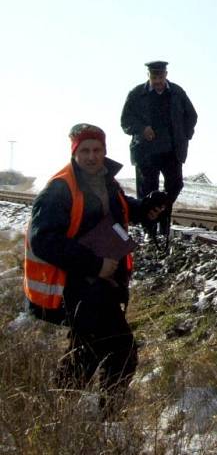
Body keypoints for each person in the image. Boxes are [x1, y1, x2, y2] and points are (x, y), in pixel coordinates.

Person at [25, 124, 165, 416]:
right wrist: (95, 264)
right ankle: (105, 420)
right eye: (85, 151)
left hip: (101, 286)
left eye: (97, 150)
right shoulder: (60, 189)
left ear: (104, 151)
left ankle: (58, 416)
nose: (91, 156)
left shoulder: (104, 181)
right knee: (120, 352)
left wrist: (144, 208)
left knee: (86, 354)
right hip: (79, 287)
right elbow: (43, 240)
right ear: (74, 153)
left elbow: (119, 210)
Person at [121, 61, 197, 241]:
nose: (157, 81)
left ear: (166, 75)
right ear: (148, 76)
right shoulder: (136, 94)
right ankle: (149, 230)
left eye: (160, 77)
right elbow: (125, 121)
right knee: (147, 190)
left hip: (172, 150)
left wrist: (184, 135)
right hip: (145, 152)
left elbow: (191, 115)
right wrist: (142, 129)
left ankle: (163, 224)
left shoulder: (177, 93)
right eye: (154, 77)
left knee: (175, 185)